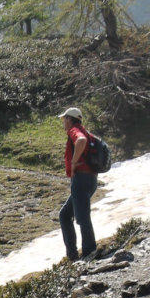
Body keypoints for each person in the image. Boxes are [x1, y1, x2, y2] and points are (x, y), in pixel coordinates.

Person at [58, 106, 97, 261]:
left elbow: (81, 141)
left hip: (81, 179)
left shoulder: (75, 131)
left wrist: (74, 163)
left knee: (81, 216)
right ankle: (75, 254)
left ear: (69, 119)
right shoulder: (85, 130)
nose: (63, 122)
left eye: (64, 119)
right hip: (90, 179)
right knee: (66, 215)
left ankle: (88, 251)